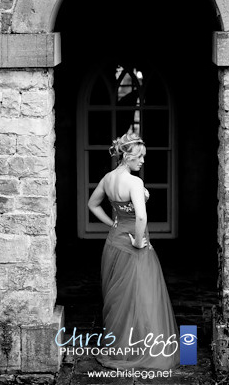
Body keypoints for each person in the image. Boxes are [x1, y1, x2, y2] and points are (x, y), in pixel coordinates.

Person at [87, 132, 179, 370]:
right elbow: (140, 216)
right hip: (133, 244)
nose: (143, 161)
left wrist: (113, 224)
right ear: (126, 156)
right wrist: (139, 242)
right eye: (139, 157)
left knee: (119, 299)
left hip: (113, 242)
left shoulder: (108, 178)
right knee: (142, 296)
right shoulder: (135, 182)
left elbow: (92, 204)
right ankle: (142, 349)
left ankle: (123, 348)